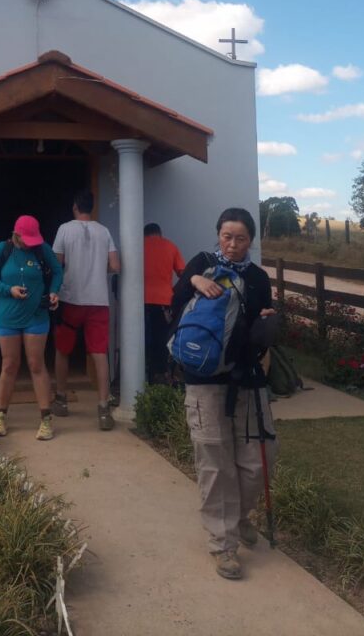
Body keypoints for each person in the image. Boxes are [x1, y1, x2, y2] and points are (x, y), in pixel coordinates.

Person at [171, 207, 277, 580]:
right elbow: (174, 306)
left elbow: (261, 325)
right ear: (217, 234)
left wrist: (267, 328)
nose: (232, 245)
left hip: (247, 382)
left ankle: (239, 517)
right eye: (226, 236)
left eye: (241, 238)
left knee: (257, 463)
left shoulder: (259, 278)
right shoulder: (199, 264)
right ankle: (223, 546)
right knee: (215, 468)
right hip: (203, 383)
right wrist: (194, 281)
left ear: (251, 241)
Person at [0, 215, 63, 441]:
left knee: (37, 364)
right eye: (26, 239)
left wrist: (55, 291)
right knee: (9, 365)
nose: (30, 243)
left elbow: (57, 271)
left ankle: (46, 420)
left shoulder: (42, 249)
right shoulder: (2, 249)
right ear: (16, 235)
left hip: (37, 315)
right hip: (7, 317)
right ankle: (0, 417)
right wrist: (9, 290)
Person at [51, 189, 120, 430]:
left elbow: (55, 263)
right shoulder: (104, 231)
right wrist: (98, 274)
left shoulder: (64, 229)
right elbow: (115, 265)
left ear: (74, 207)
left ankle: (61, 400)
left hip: (71, 298)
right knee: (99, 354)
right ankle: (103, 409)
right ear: (92, 207)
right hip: (98, 300)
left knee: (63, 350)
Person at [143, 223, 185, 383]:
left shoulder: (138, 246)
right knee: (162, 341)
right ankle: (159, 376)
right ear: (159, 233)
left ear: (144, 235)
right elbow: (183, 272)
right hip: (164, 302)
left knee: (142, 341)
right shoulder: (170, 246)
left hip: (140, 302)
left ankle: (141, 377)